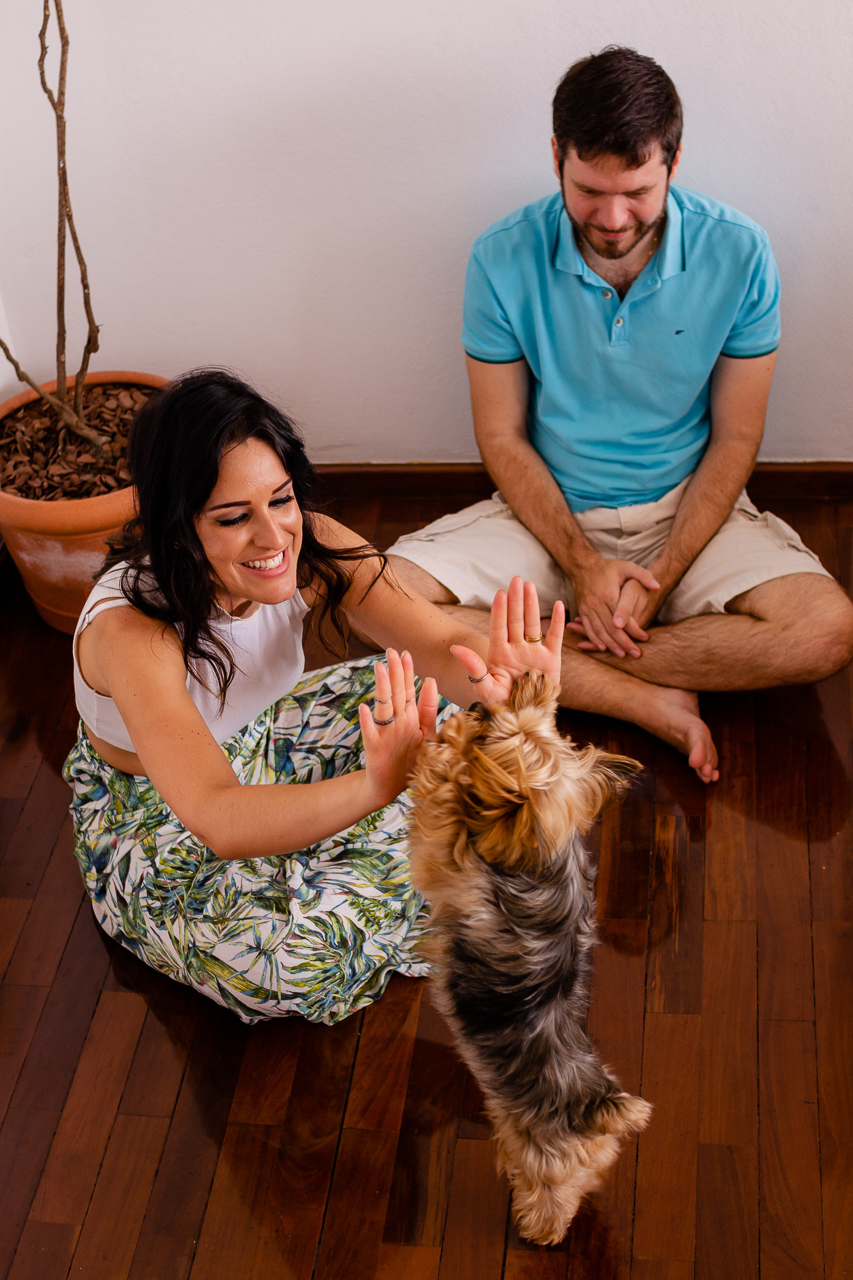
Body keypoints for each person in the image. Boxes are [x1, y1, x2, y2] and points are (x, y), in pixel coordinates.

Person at [385, 46, 853, 783]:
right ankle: (642, 699)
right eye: (587, 189)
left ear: (672, 161)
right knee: (377, 601)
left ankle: (557, 661)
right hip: (549, 513)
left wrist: (658, 577)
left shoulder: (740, 251)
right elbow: (501, 435)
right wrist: (580, 561)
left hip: (686, 509)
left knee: (826, 633)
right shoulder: (500, 256)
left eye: (636, 191)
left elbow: (736, 436)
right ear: (554, 158)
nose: (611, 217)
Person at [63, 369, 564, 1024]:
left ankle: (366, 873)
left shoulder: (314, 542)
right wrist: (374, 788)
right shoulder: (134, 630)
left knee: (427, 702)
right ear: (179, 527)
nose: (273, 538)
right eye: (233, 517)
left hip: (265, 734)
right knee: (291, 959)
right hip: (164, 818)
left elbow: (437, 645)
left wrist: (504, 687)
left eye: (281, 499)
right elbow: (215, 814)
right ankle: (400, 873)